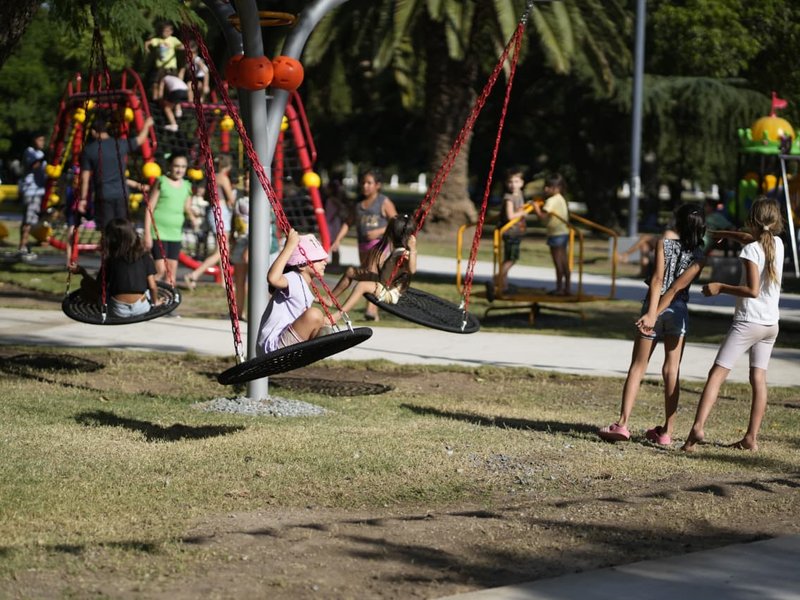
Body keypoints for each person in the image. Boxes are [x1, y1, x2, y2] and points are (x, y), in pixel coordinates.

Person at [598, 203, 707, 445]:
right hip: (678, 312)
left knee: (638, 366)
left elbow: (658, 279)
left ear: (677, 222)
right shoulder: (699, 255)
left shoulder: (664, 242)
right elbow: (678, 287)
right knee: (672, 370)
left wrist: (651, 313)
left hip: (654, 307)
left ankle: (622, 424)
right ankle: (667, 432)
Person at [682, 198, 784, 452]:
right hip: (771, 324)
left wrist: (719, 287)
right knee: (758, 378)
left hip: (749, 322)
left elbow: (751, 290)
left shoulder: (751, 250)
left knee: (716, 375)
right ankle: (751, 438)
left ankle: (696, 431)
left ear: (752, 220)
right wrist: (723, 234)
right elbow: (751, 240)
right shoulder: (777, 244)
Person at [330, 168, 397, 320]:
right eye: (363, 183)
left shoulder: (383, 202)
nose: (365, 186)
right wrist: (338, 239)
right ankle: (373, 311)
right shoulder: (358, 204)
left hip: (380, 245)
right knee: (367, 275)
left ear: (378, 185)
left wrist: (379, 231)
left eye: (369, 183)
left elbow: (396, 223)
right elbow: (348, 222)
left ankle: (371, 310)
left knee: (373, 275)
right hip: (362, 246)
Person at [326, 214, 417, 322]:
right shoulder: (398, 251)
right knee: (350, 271)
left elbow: (412, 270)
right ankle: (329, 299)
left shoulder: (403, 254)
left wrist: (413, 249)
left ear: (393, 235)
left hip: (388, 292)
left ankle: (338, 316)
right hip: (381, 282)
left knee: (362, 286)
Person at [256, 229, 332, 355]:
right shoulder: (293, 278)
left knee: (322, 321)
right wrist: (290, 246)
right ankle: (314, 349)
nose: (325, 262)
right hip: (273, 347)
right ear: (301, 264)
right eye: (318, 259)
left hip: (283, 342)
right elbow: (272, 278)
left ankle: (316, 347)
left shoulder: (304, 287)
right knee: (314, 315)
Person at [68, 218, 161, 318]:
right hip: (141, 308)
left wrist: (83, 273)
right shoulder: (144, 256)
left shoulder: (110, 259)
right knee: (146, 291)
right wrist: (156, 302)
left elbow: (98, 288)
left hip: (118, 310)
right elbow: (152, 287)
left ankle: (93, 307)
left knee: (85, 284)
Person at [78, 112, 154, 228]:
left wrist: (83, 199)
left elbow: (85, 177)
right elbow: (140, 139)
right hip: (121, 194)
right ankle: (123, 246)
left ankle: (108, 246)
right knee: (122, 226)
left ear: (93, 132)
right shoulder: (120, 144)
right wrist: (147, 125)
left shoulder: (89, 150)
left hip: (103, 194)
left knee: (107, 227)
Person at [184, 154, 235, 289]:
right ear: (227, 166)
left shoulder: (210, 177)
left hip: (211, 211)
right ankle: (194, 274)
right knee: (222, 250)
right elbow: (231, 199)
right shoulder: (223, 178)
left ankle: (225, 281)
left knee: (223, 249)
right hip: (222, 211)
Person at [144, 152, 192, 283]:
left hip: (175, 233)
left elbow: (187, 208)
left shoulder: (187, 186)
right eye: (176, 166)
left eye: (183, 167)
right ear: (170, 166)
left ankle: (167, 300)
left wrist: (193, 217)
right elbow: (149, 208)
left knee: (171, 274)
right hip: (158, 231)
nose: (179, 169)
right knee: (160, 271)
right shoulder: (162, 182)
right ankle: (144, 293)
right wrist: (147, 233)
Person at [532, 173, 571, 295]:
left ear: (557, 188)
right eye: (545, 186)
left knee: (558, 262)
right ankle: (567, 288)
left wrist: (535, 208)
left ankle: (560, 289)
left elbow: (543, 217)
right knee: (564, 262)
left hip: (556, 235)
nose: (545, 189)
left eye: (549, 187)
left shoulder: (551, 200)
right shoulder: (561, 198)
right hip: (563, 232)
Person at [496, 168, 528, 293]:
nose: (513, 184)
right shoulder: (508, 197)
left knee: (510, 258)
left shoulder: (519, 194)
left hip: (517, 231)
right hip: (510, 232)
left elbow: (519, 207)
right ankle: (498, 279)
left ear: (521, 183)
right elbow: (510, 216)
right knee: (511, 258)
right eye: (510, 182)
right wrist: (523, 212)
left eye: (516, 181)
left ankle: (504, 285)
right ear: (506, 183)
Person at [17, 133, 47, 260]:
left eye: (43, 140)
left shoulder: (41, 154)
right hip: (31, 191)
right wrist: (47, 157)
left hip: (39, 191)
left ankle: (24, 245)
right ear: (34, 140)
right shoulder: (29, 152)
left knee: (32, 220)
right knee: (28, 221)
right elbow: (34, 165)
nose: (42, 142)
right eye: (40, 139)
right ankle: (23, 246)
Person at [146, 21, 184, 100]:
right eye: (164, 31)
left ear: (171, 32)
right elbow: (147, 43)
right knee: (156, 83)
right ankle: (156, 99)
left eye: (168, 31)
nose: (166, 33)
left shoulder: (173, 39)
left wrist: (183, 48)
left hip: (171, 67)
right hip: (160, 67)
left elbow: (181, 46)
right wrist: (147, 49)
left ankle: (169, 100)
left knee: (169, 84)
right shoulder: (158, 40)